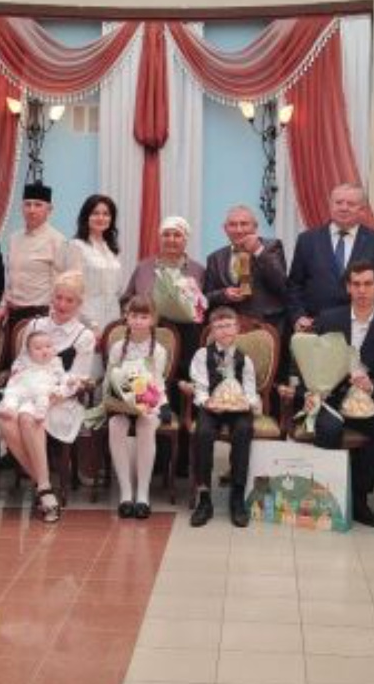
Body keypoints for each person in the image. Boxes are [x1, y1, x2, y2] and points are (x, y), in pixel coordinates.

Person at [303, 261, 374, 528]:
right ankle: (325, 495)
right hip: (328, 399)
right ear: (348, 287)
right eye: (356, 284)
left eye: (368, 284)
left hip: (362, 403)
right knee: (330, 428)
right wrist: (309, 392)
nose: (362, 290)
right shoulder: (328, 319)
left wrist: (372, 385)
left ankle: (357, 495)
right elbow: (305, 360)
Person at [0, 330, 85, 524]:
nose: (44, 350)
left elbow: (70, 381)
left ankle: (43, 488)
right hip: (19, 398)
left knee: (28, 418)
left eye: (48, 346)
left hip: (51, 400)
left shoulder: (59, 358)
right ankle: (44, 486)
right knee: (5, 419)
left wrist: (64, 389)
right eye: (38, 348)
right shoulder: (23, 360)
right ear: (28, 350)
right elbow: (13, 384)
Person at [287, 183, 374, 331]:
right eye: (338, 202)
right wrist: (298, 316)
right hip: (316, 327)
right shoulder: (307, 240)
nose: (343, 208)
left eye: (351, 204)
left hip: (365, 328)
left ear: (362, 210)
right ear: (330, 206)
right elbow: (294, 285)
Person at [188, 307, 261, 528]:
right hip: (212, 407)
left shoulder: (245, 360)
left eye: (228, 325)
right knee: (203, 433)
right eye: (219, 327)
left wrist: (247, 403)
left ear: (237, 328)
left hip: (238, 408)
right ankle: (204, 498)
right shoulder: (202, 355)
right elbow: (200, 388)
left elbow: (250, 391)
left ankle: (237, 497)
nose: (224, 330)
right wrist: (207, 403)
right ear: (212, 331)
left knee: (244, 430)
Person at [106, 296, 171, 519]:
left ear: (152, 320)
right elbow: (112, 376)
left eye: (144, 316)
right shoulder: (118, 347)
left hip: (150, 400)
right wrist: (124, 399)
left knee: (146, 425)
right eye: (134, 315)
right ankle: (126, 493)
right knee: (115, 425)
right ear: (127, 317)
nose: (138, 321)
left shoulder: (158, 350)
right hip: (122, 401)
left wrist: (147, 404)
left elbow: (156, 383)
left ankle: (143, 494)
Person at [121, 216, 206, 377]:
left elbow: (203, 305)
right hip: (147, 335)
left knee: (182, 380)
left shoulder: (198, 270)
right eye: (166, 234)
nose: (171, 239)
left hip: (187, 339)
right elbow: (127, 298)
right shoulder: (144, 267)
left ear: (185, 239)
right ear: (160, 238)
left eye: (177, 235)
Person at [0, 181, 73, 330]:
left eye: (38, 205)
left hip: (40, 315)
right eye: (27, 204)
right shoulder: (14, 238)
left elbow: (60, 284)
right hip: (12, 314)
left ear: (49, 209)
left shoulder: (58, 241)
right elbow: (11, 278)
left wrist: (53, 319)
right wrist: (2, 305)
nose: (31, 210)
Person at [203, 204, 290, 331]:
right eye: (233, 225)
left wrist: (257, 250)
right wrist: (224, 294)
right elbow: (206, 297)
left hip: (266, 327)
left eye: (244, 224)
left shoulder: (272, 247)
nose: (239, 230)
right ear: (225, 229)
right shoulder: (215, 258)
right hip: (230, 330)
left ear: (255, 227)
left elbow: (282, 285)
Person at [71, 194, 125, 335]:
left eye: (106, 214)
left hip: (113, 317)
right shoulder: (76, 246)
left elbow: (118, 290)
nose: (101, 218)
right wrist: (90, 324)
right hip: (86, 318)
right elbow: (73, 290)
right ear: (86, 216)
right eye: (95, 213)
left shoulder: (112, 249)